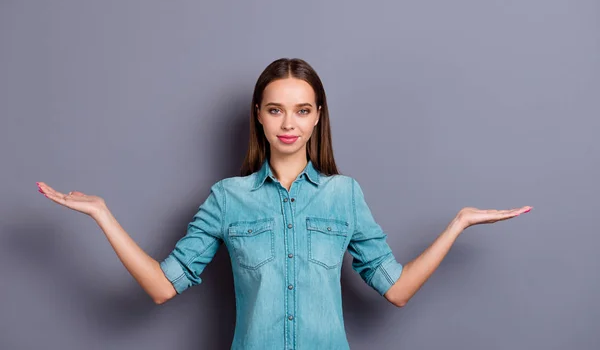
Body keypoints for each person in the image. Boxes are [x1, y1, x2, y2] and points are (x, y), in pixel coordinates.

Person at [36, 58, 532, 350]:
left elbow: (396, 290)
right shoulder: (228, 198)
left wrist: (459, 223)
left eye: (301, 110)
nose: (288, 122)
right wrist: (102, 214)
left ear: (318, 117)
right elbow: (163, 286)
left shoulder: (345, 195)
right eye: (276, 109)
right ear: (259, 115)